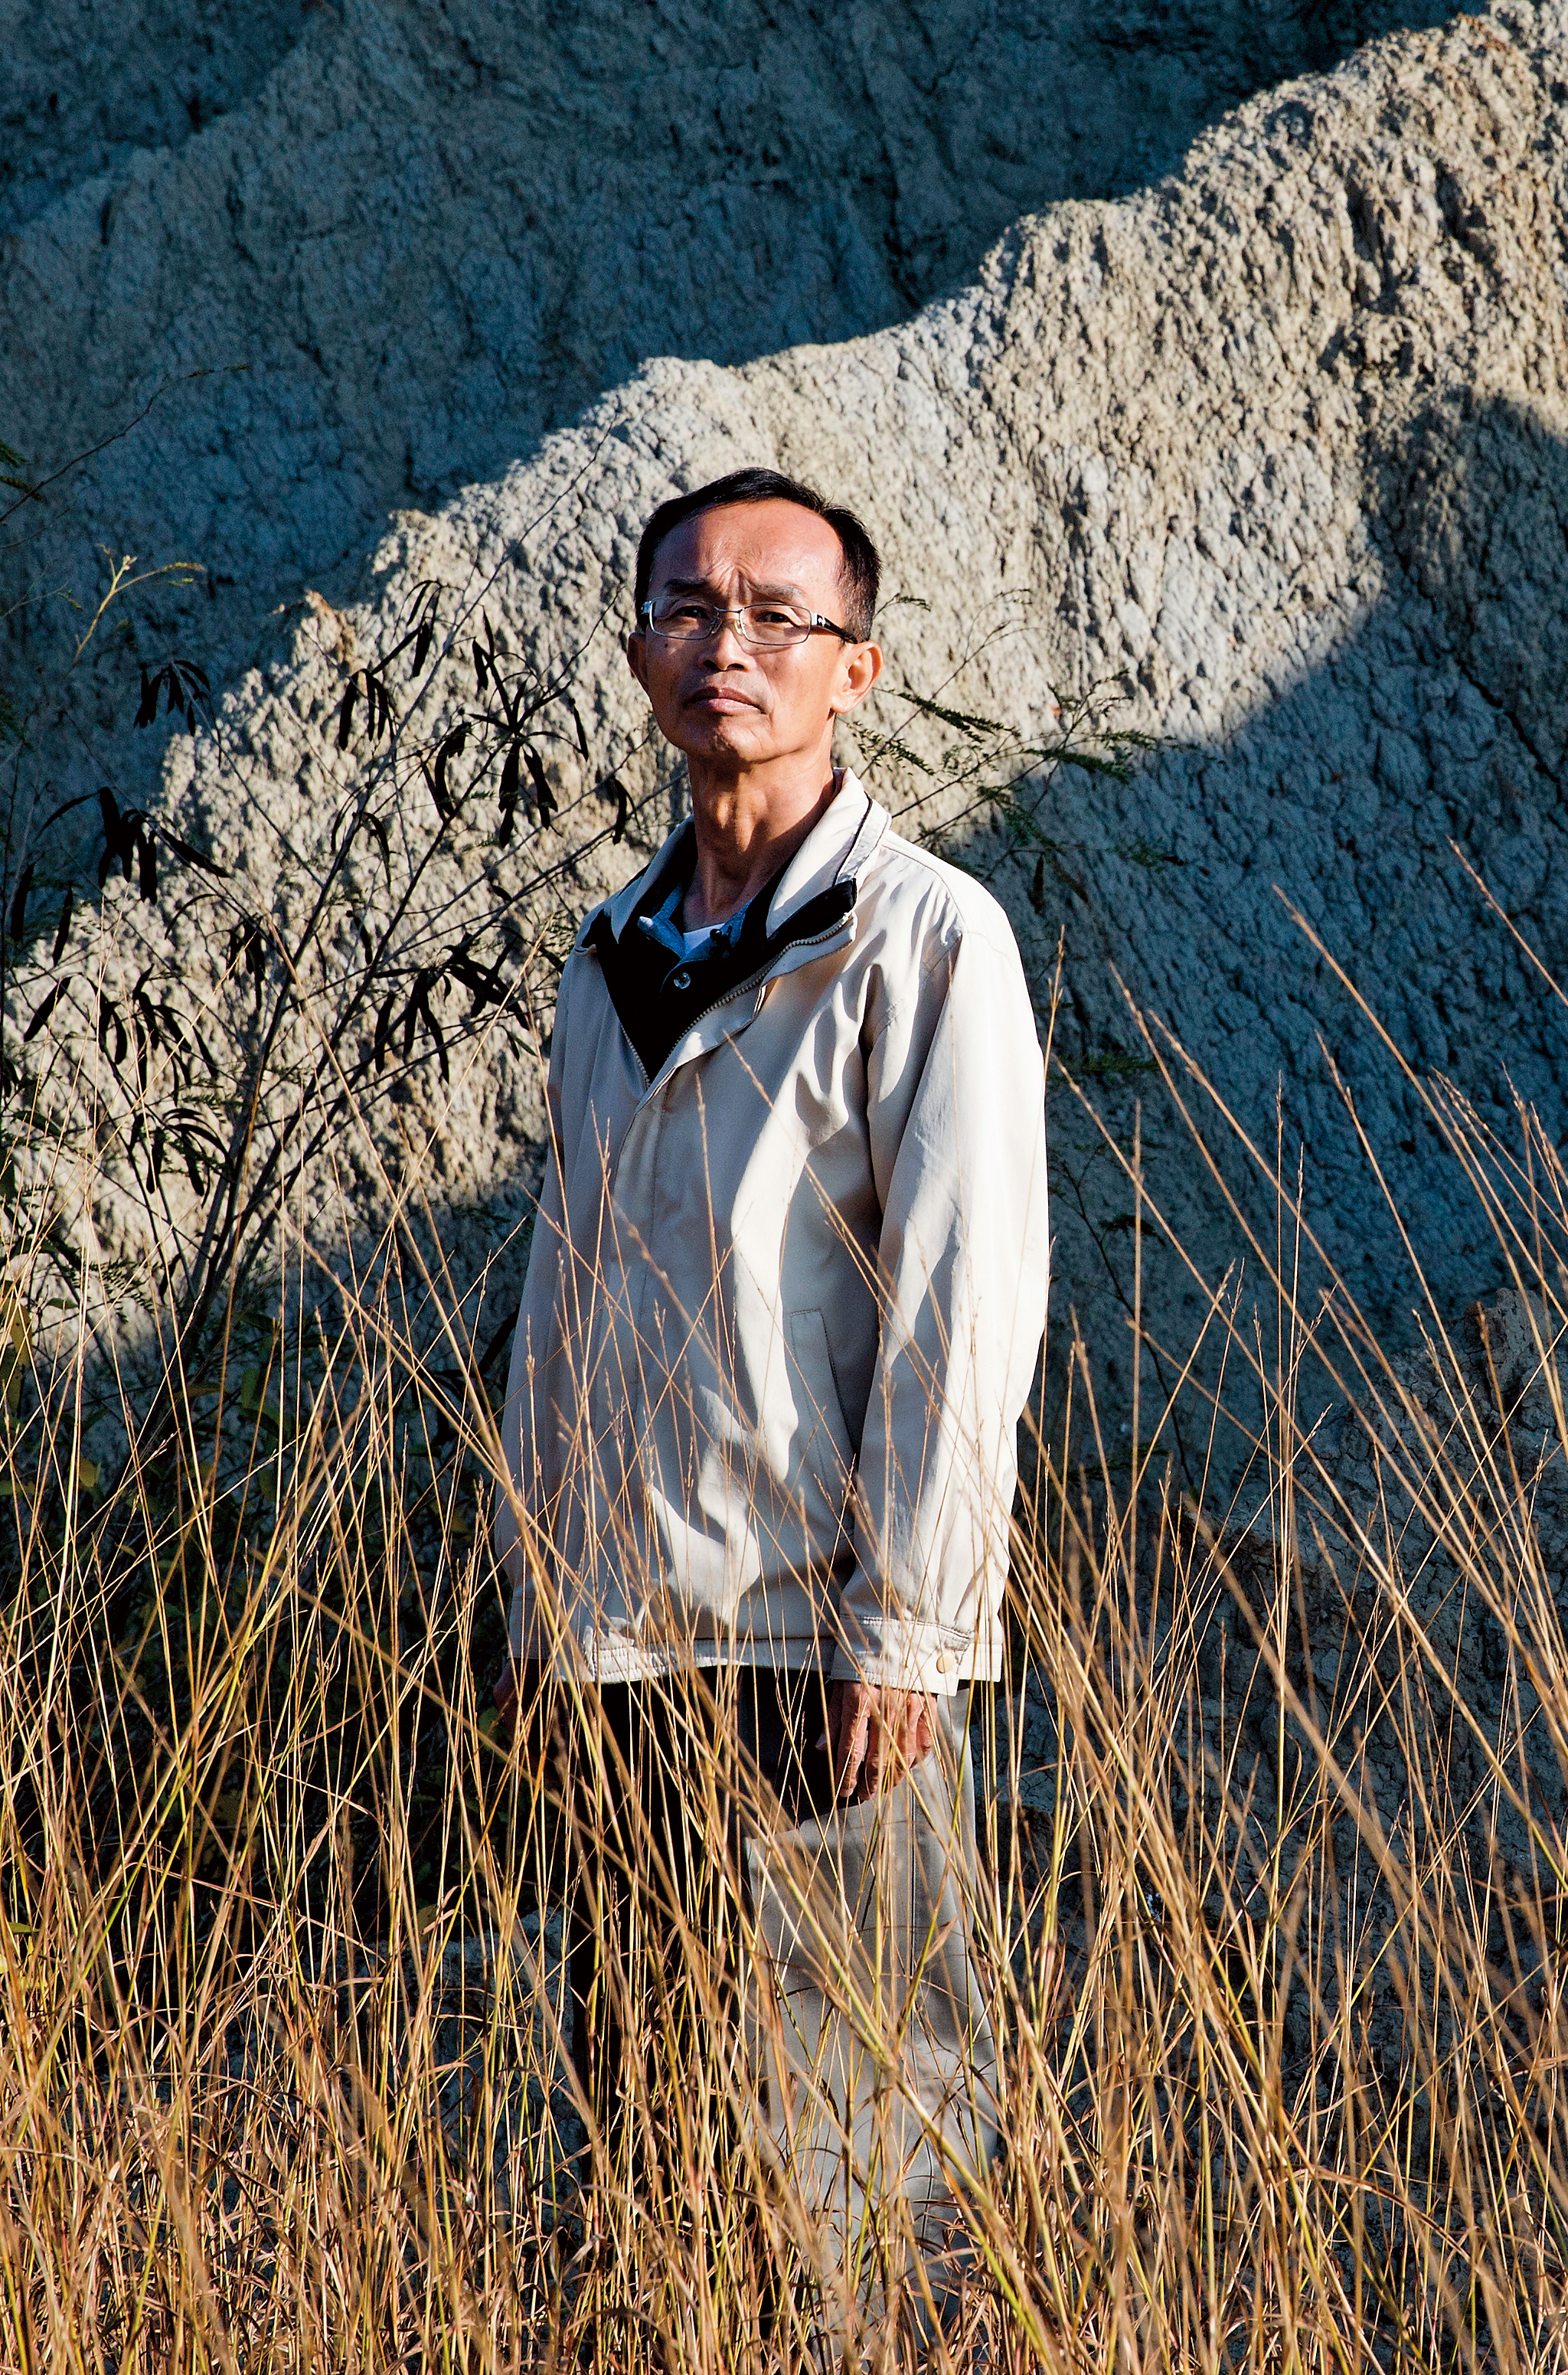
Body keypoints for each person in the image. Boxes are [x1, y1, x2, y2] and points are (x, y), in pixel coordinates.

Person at [490, 465, 1045, 2265]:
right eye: (688, 607)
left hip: (812, 1646)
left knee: (861, 2163)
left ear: (856, 670)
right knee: (643, 2154)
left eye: (777, 615)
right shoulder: (610, 961)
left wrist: (912, 1628)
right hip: (616, 1650)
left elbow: (965, 1303)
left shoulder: (925, 940)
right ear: (641, 647)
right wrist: (532, 1608)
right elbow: (566, 1305)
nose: (727, 645)